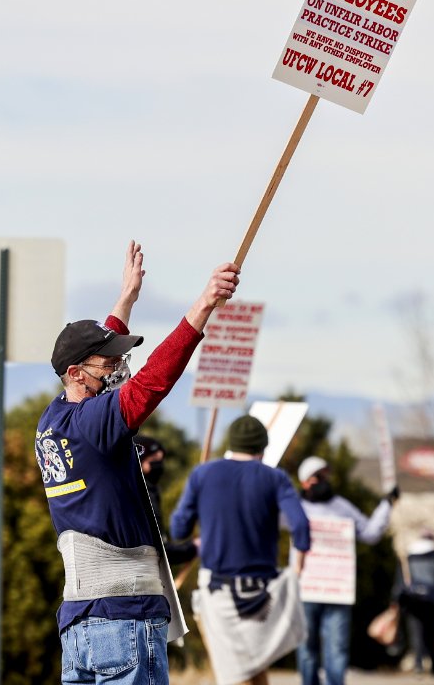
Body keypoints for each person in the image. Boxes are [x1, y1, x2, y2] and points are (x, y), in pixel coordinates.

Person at [34, 240, 240, 685]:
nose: (118, 368)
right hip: (125, 619)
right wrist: (203, 306)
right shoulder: (96, 423)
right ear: (76, 374)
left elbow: (102, 363)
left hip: (79, 627)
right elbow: (153, 381)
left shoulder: (53, 422)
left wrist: (125, 298)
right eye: (110, 363)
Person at [169, 416, 311, 685]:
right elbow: (301, 526)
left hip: (218, 590)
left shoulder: (203, 473)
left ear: (231, 444)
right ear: (263, 447)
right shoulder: (275, 477)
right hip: (263, 592)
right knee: (256, 667)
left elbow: (178, 530)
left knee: (235, 674)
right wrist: (297, 570)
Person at [294, 455, 397, 685]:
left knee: (336, 647)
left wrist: (386, 505)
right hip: (307, 589)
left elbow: (370, 533)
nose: (323, 481)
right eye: (316, 477)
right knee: (306, 646)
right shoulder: (295, 507)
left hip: (336, 591)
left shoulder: (341, 506)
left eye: (325, 476)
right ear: (304, 482)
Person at [393, 529, 434, 674]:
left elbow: (400, 579)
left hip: (413, 599)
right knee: (432, 631)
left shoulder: (409, 556)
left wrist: (396, 598)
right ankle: (433, 663)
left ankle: (419, 663)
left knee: (416, 631)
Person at [134, 435, 197, 566]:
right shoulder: (138, 496)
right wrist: (191, 548)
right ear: (139, 461)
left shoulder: (150, 491)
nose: (159, 466)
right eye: (154, 461)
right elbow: (154, 549)